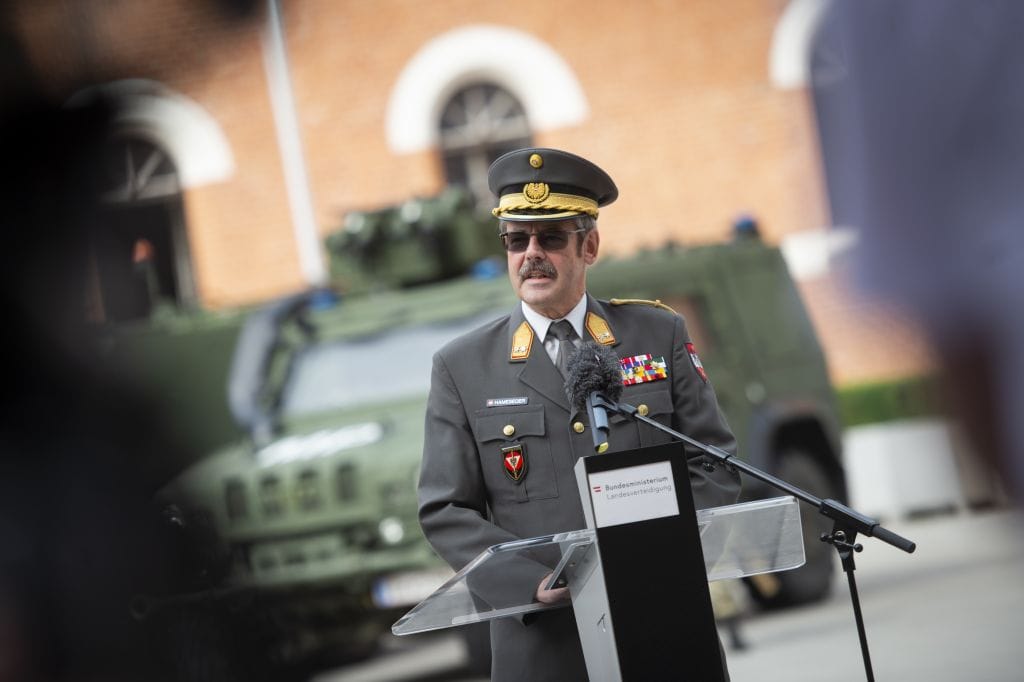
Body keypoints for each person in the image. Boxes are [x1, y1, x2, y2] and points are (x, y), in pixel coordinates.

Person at [417, 147, 742, 681]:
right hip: (543, 642)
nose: (531, 254)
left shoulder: (656, 334)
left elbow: (714, 463)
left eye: (550, 238)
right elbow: (445, 508)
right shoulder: (462, 366)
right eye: (516, 240)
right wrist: (527, 583)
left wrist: (664, 554)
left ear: (588, 245)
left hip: (662, 619)